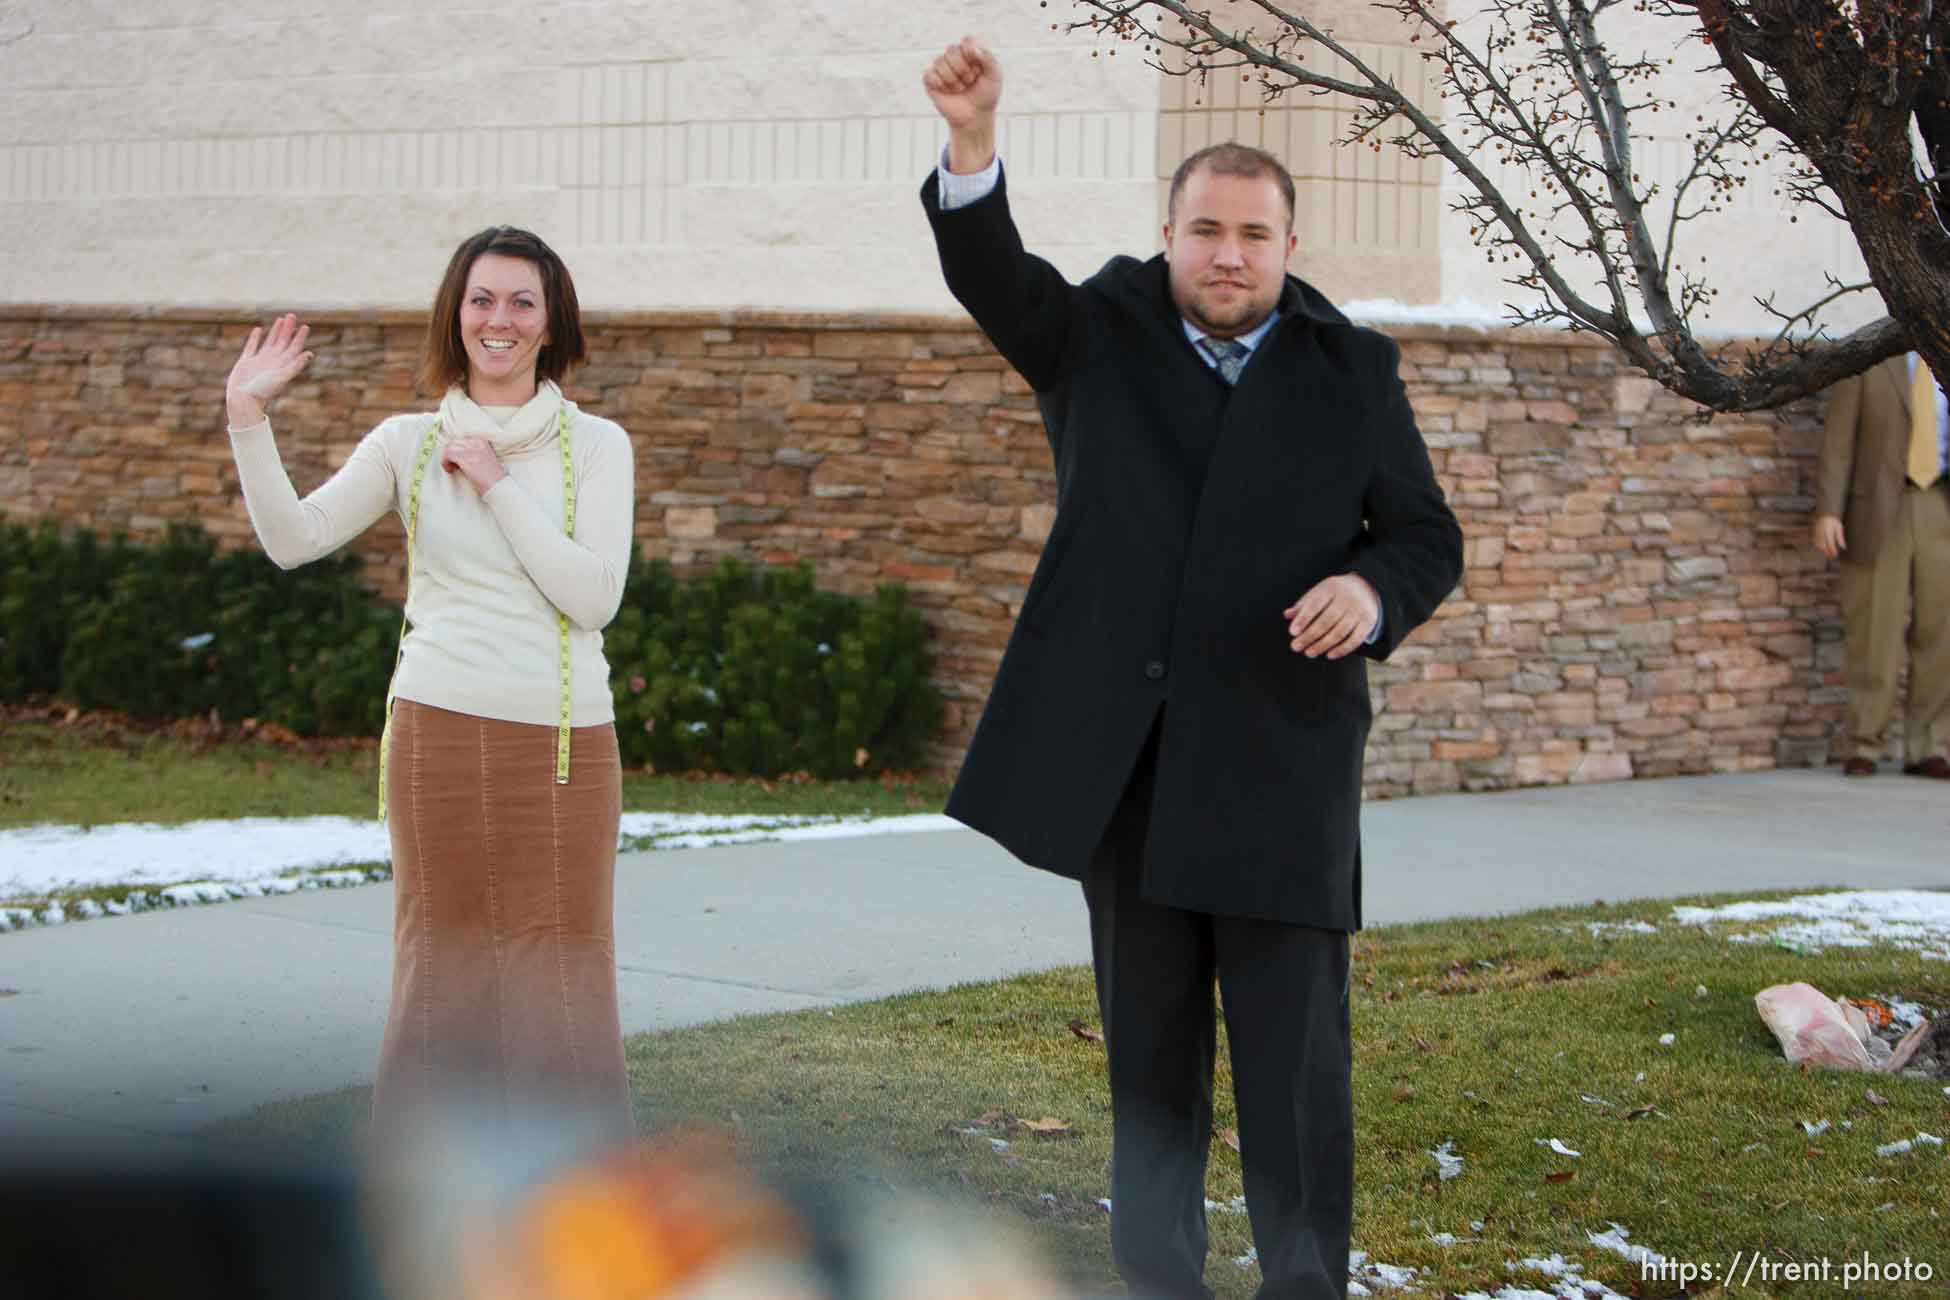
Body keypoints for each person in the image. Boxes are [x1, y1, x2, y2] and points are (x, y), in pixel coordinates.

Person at [919, 37, 1462, 1300]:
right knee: (1151, 1072)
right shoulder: (1094, 334)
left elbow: (1427, 536)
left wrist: (1371, 589)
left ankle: (1305, 1285)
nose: (1229, 253)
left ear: (1288, 244)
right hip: (1139, 774)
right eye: (1206, 228)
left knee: (1294, 1074)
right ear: (1168, 232)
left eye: (1254, 234)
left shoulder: (1354, 370)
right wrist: (973, 140)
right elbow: (992, 272)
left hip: (1285, 768)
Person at [222, 227, 638, 1134]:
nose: (501, 319)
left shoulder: (599, 447)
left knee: (565, 980)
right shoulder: (407, 444)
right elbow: (293, 541)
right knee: (438, 970)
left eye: (522, 301)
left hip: (567, 751)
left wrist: (495, 483)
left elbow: (593, 598)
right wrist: (248, 420)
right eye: (482, 299)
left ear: (550, 320)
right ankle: (419, 1210)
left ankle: (582, 1216)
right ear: (457, 315)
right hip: (439, 734)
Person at [1814, 352, 1950, 778]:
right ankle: (1864, 744)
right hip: (1876, 511)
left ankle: (1927, 746)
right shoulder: (1869, 356)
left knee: (1940, 633)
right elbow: (1838, 442)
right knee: (1875, 630)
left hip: (1940, 504)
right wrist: (1828, 511)